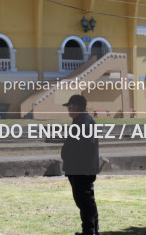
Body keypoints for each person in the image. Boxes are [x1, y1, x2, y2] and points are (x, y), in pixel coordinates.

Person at [61, 94, 100, 235]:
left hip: (81, 170)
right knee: (86, 202)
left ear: (76, 108)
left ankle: (89, 232)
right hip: (79, 169)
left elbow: (86, 147)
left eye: (70, 107)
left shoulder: (84, 122)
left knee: (85, 202)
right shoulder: (81, 121)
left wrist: (76, 162)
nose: (68, 110)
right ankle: (92, 231)